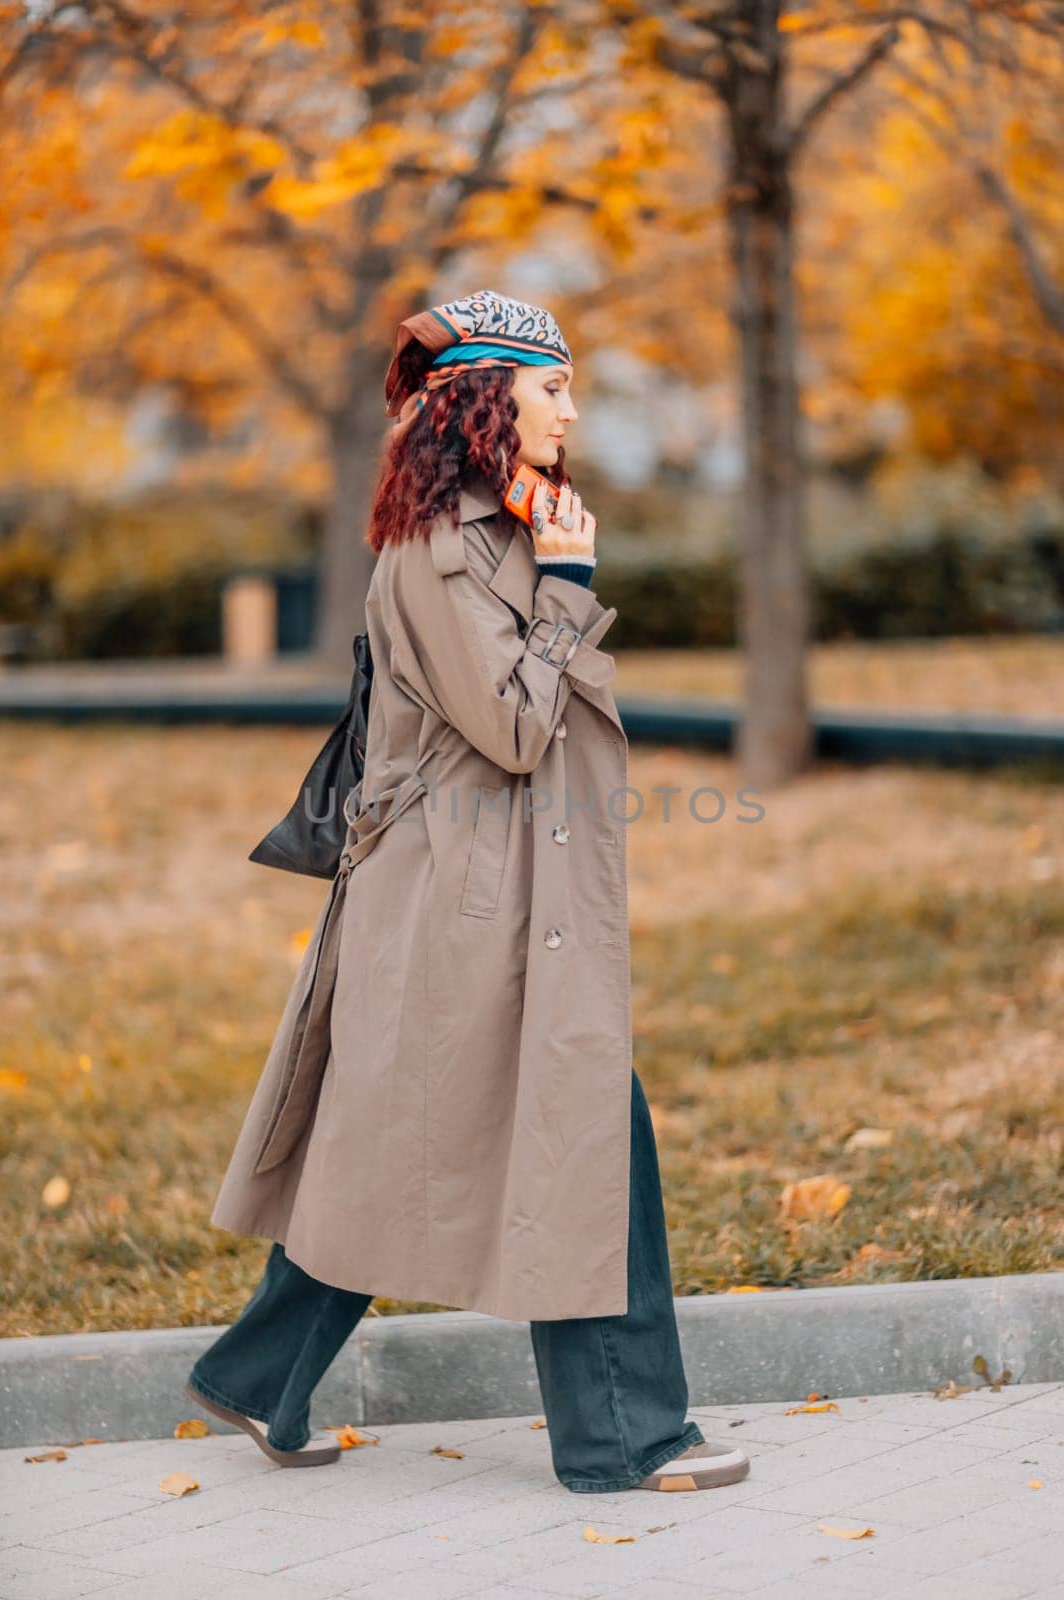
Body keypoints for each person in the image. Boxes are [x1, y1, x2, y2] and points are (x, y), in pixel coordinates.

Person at [187, 288, 750, 1496]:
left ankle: (255, 1371)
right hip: (461, 902)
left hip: (488, 891)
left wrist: (551, 563)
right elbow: (507, 727)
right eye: (552, 386)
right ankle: (622, 1437)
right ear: (487, 396)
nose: (572, 407)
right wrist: (569, 581)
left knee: (413, 1141)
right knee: (582, 1136)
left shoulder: (496, 527)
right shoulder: (445, 548)